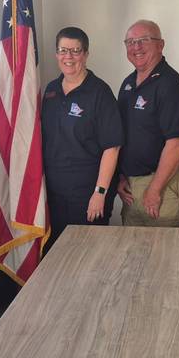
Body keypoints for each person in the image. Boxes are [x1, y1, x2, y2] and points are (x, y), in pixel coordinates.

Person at [41, 27, 123, 250]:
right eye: (63, 50)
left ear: (86, 54)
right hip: (54, 194)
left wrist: (100, 193)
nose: (68, 57)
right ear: (56, 54)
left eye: (75, 51)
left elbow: (112, 147)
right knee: (57, 257)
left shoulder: (100, 93)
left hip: (86, 194)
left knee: (87, 255)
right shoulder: (50, 91)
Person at [116, 19, 179, 227]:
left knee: (166, 254)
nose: (136, 47)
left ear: (160, 45)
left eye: (144, 40)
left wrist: (155, 189)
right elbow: (123, 134)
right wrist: (121, 176)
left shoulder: (171, 85)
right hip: (132, 187)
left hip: (163, 185)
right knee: (133, 253)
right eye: (130, 42)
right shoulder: (128, 84)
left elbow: (178, 144)